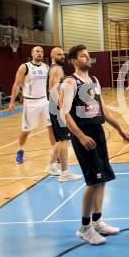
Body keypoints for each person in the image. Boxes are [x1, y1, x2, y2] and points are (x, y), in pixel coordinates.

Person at [60, 45, 129, 245]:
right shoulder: (69, 82)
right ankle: (84, 228)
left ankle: (97, 222)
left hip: (98, 134)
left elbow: (102, 109)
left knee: (102, 179)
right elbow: (64, 114)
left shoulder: (94, 81)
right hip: (84, 135)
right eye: (83, 56)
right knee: (93, 182)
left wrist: (119, 128)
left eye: (88, 56)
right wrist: (81, 136)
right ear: (73, 60)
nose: (87, 58)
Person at [9, 46, 57, 167]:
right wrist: (12, 101)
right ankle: (20, 150)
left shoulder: (46, 67)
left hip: (44, 101)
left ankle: (54, 153)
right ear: (32, 53)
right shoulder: (24, 67)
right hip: (30, 102)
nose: (40, 53)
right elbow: (16, 84)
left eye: (41, 51)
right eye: (37, 51)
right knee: (26, 131)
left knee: (51, 127)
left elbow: (52, 84)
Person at [47, 47, 81, 182]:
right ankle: (65, 173)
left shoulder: (55, 68)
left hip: (54, 108)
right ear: (52, 56)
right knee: (64, 140)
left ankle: (51, 165)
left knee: (62, 139)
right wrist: (62, 108)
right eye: (58, 54)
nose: (62, 56)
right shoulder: (57, 69)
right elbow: (52, 89)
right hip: (57, 108)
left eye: (62, 54)